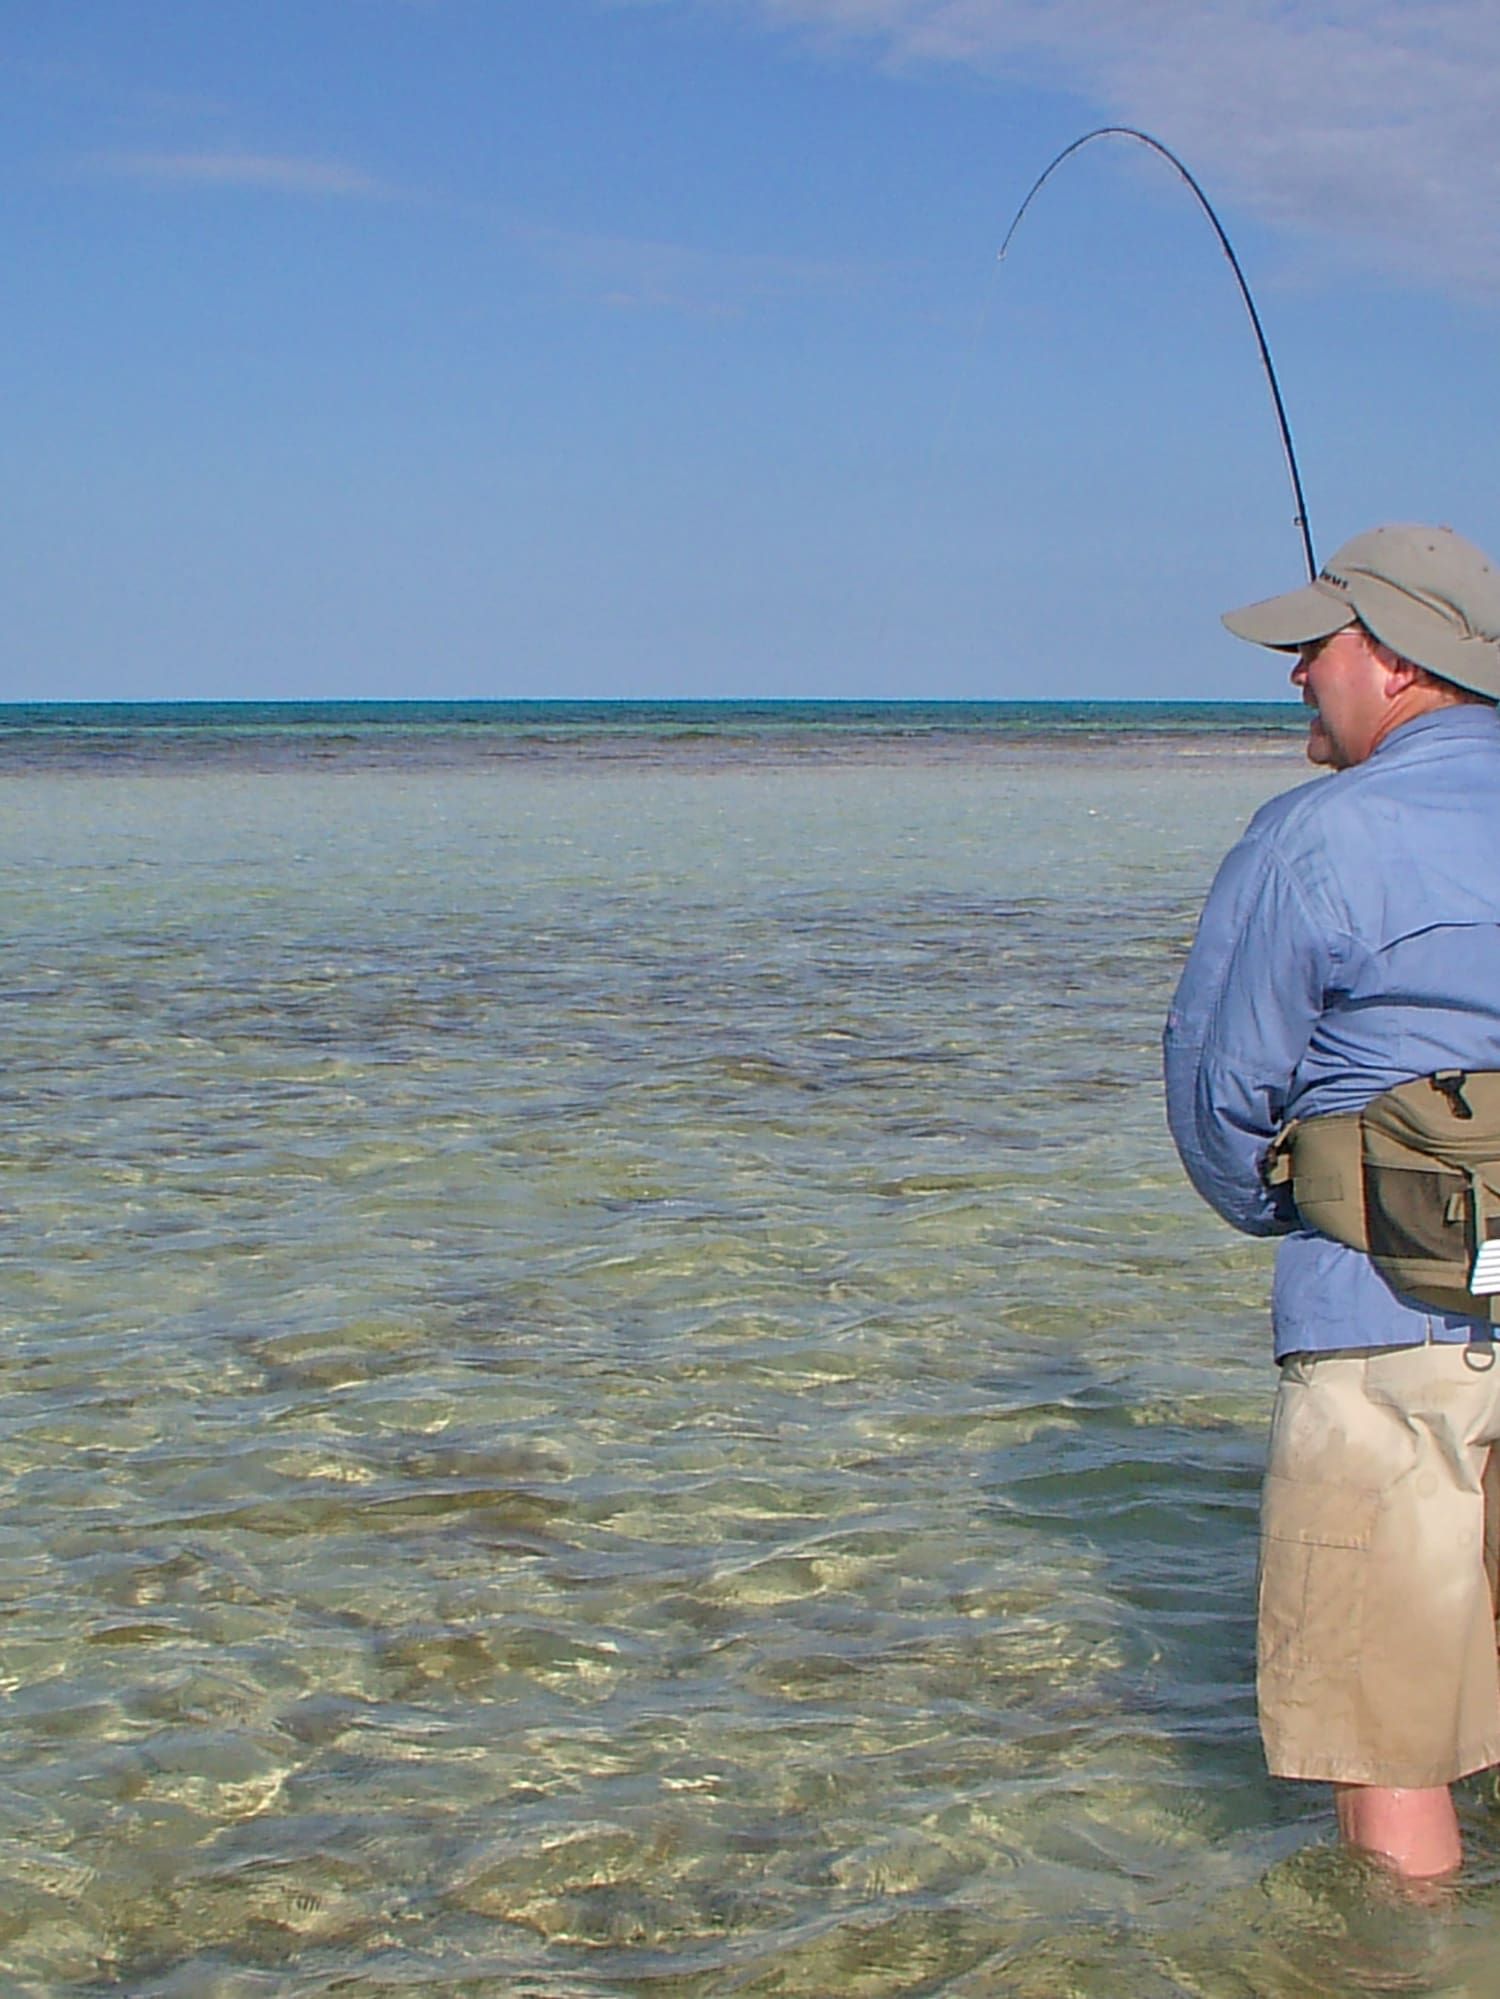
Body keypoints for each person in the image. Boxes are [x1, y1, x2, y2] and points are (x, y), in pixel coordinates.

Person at [1163, 524, 1500, 1880]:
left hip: (1387, 1326)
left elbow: (1219, 1093)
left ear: (1405, 661)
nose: (1298, 671)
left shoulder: (1319, 834)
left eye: (1320, 643)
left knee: (1388, 1744)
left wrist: (1296, 1209)